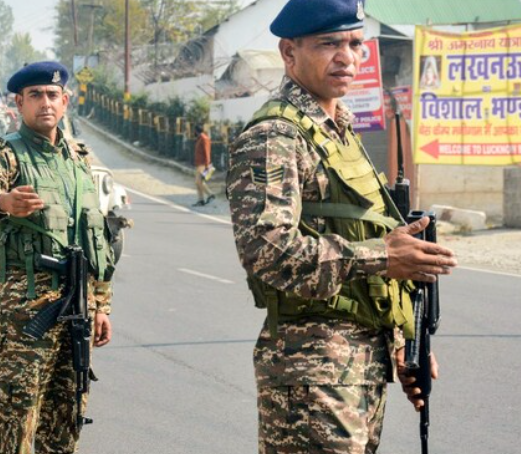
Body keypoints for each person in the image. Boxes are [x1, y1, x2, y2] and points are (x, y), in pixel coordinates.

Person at [226, 1, 458, 452]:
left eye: (355, 44)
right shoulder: (275, 136)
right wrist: (383, 257)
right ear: (289, 53)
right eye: (329, 44)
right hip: (310, 368)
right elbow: (267, 252)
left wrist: (403, 341)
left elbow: (362, 238)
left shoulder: (340, 131)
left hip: (360, 364)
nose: (347, 57)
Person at [0, 61, 115, 454]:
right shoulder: (7, 155)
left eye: (52, 95)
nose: (45, 103)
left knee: (67, 414)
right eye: (35, 95)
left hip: (77, 308)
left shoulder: (79, 159)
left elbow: (96, 239)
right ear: (19, 103)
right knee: (19, 411)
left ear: (65, 101)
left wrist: (101, 306)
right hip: (28, 309)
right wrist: (3, 201)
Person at [192, 124, 216, 206]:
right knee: (197, 182)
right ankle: (200, 199)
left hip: (203, 164)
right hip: (199, 163)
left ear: (196, 130)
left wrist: (207, 165)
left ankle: (210, 194)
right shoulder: (199, 138)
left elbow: (207, 152)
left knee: (199, 182)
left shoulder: (204, 138)